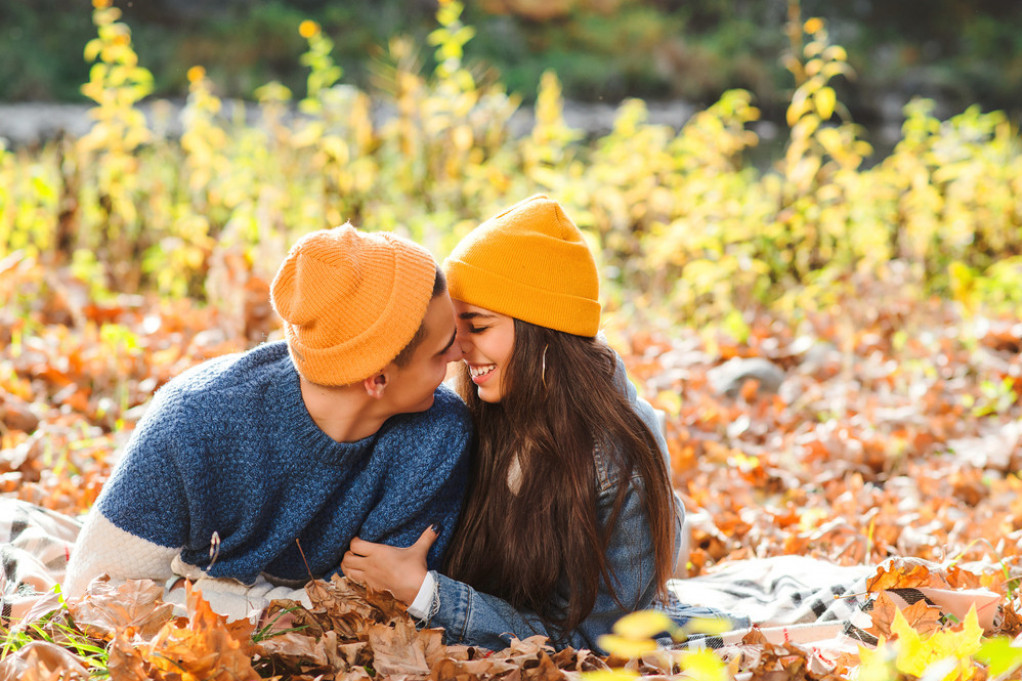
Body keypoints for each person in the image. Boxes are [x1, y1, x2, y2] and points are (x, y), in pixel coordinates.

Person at [342, 195, 723, 652]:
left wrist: (427, 594)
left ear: (543, 330)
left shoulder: (617, 462)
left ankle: (676, 536)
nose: (458, 349)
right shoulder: (483, 407)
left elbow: (594, 640)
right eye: (455, 326)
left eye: (478, 327)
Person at [64, 224, 472, 621]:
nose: (460, 353)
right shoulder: (193, 423)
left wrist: (207, 591)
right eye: (441, 350)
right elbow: (94, 592)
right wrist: (285, 608)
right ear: (377, 379)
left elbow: (374, 611)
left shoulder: (438, 436)